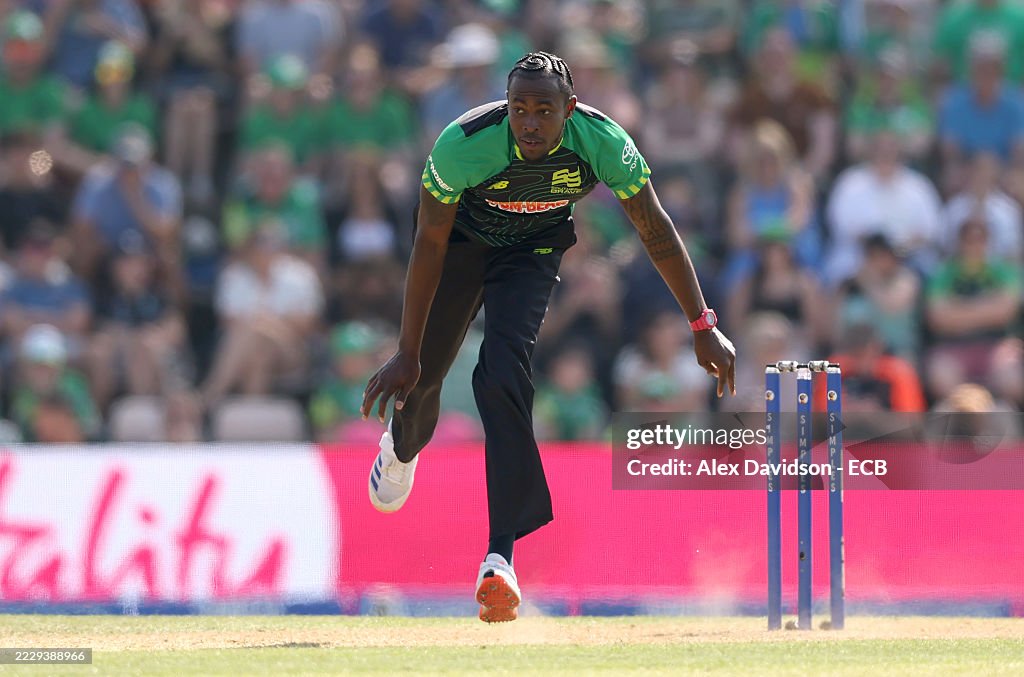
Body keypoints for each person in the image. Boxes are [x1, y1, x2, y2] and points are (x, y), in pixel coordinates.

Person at [359, 52, 736, 623]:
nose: (530, 124)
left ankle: (500, 558)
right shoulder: (463, 144)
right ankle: (401, 446)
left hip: (532, 249)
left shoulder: (602, 141)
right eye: (519, 109)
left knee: (502, 371)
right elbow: (428, 244)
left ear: (570, 109)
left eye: (543, 111)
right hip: (460, 243)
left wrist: (702, 325)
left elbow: (653, 227)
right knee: (425, 379)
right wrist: (407, 352)